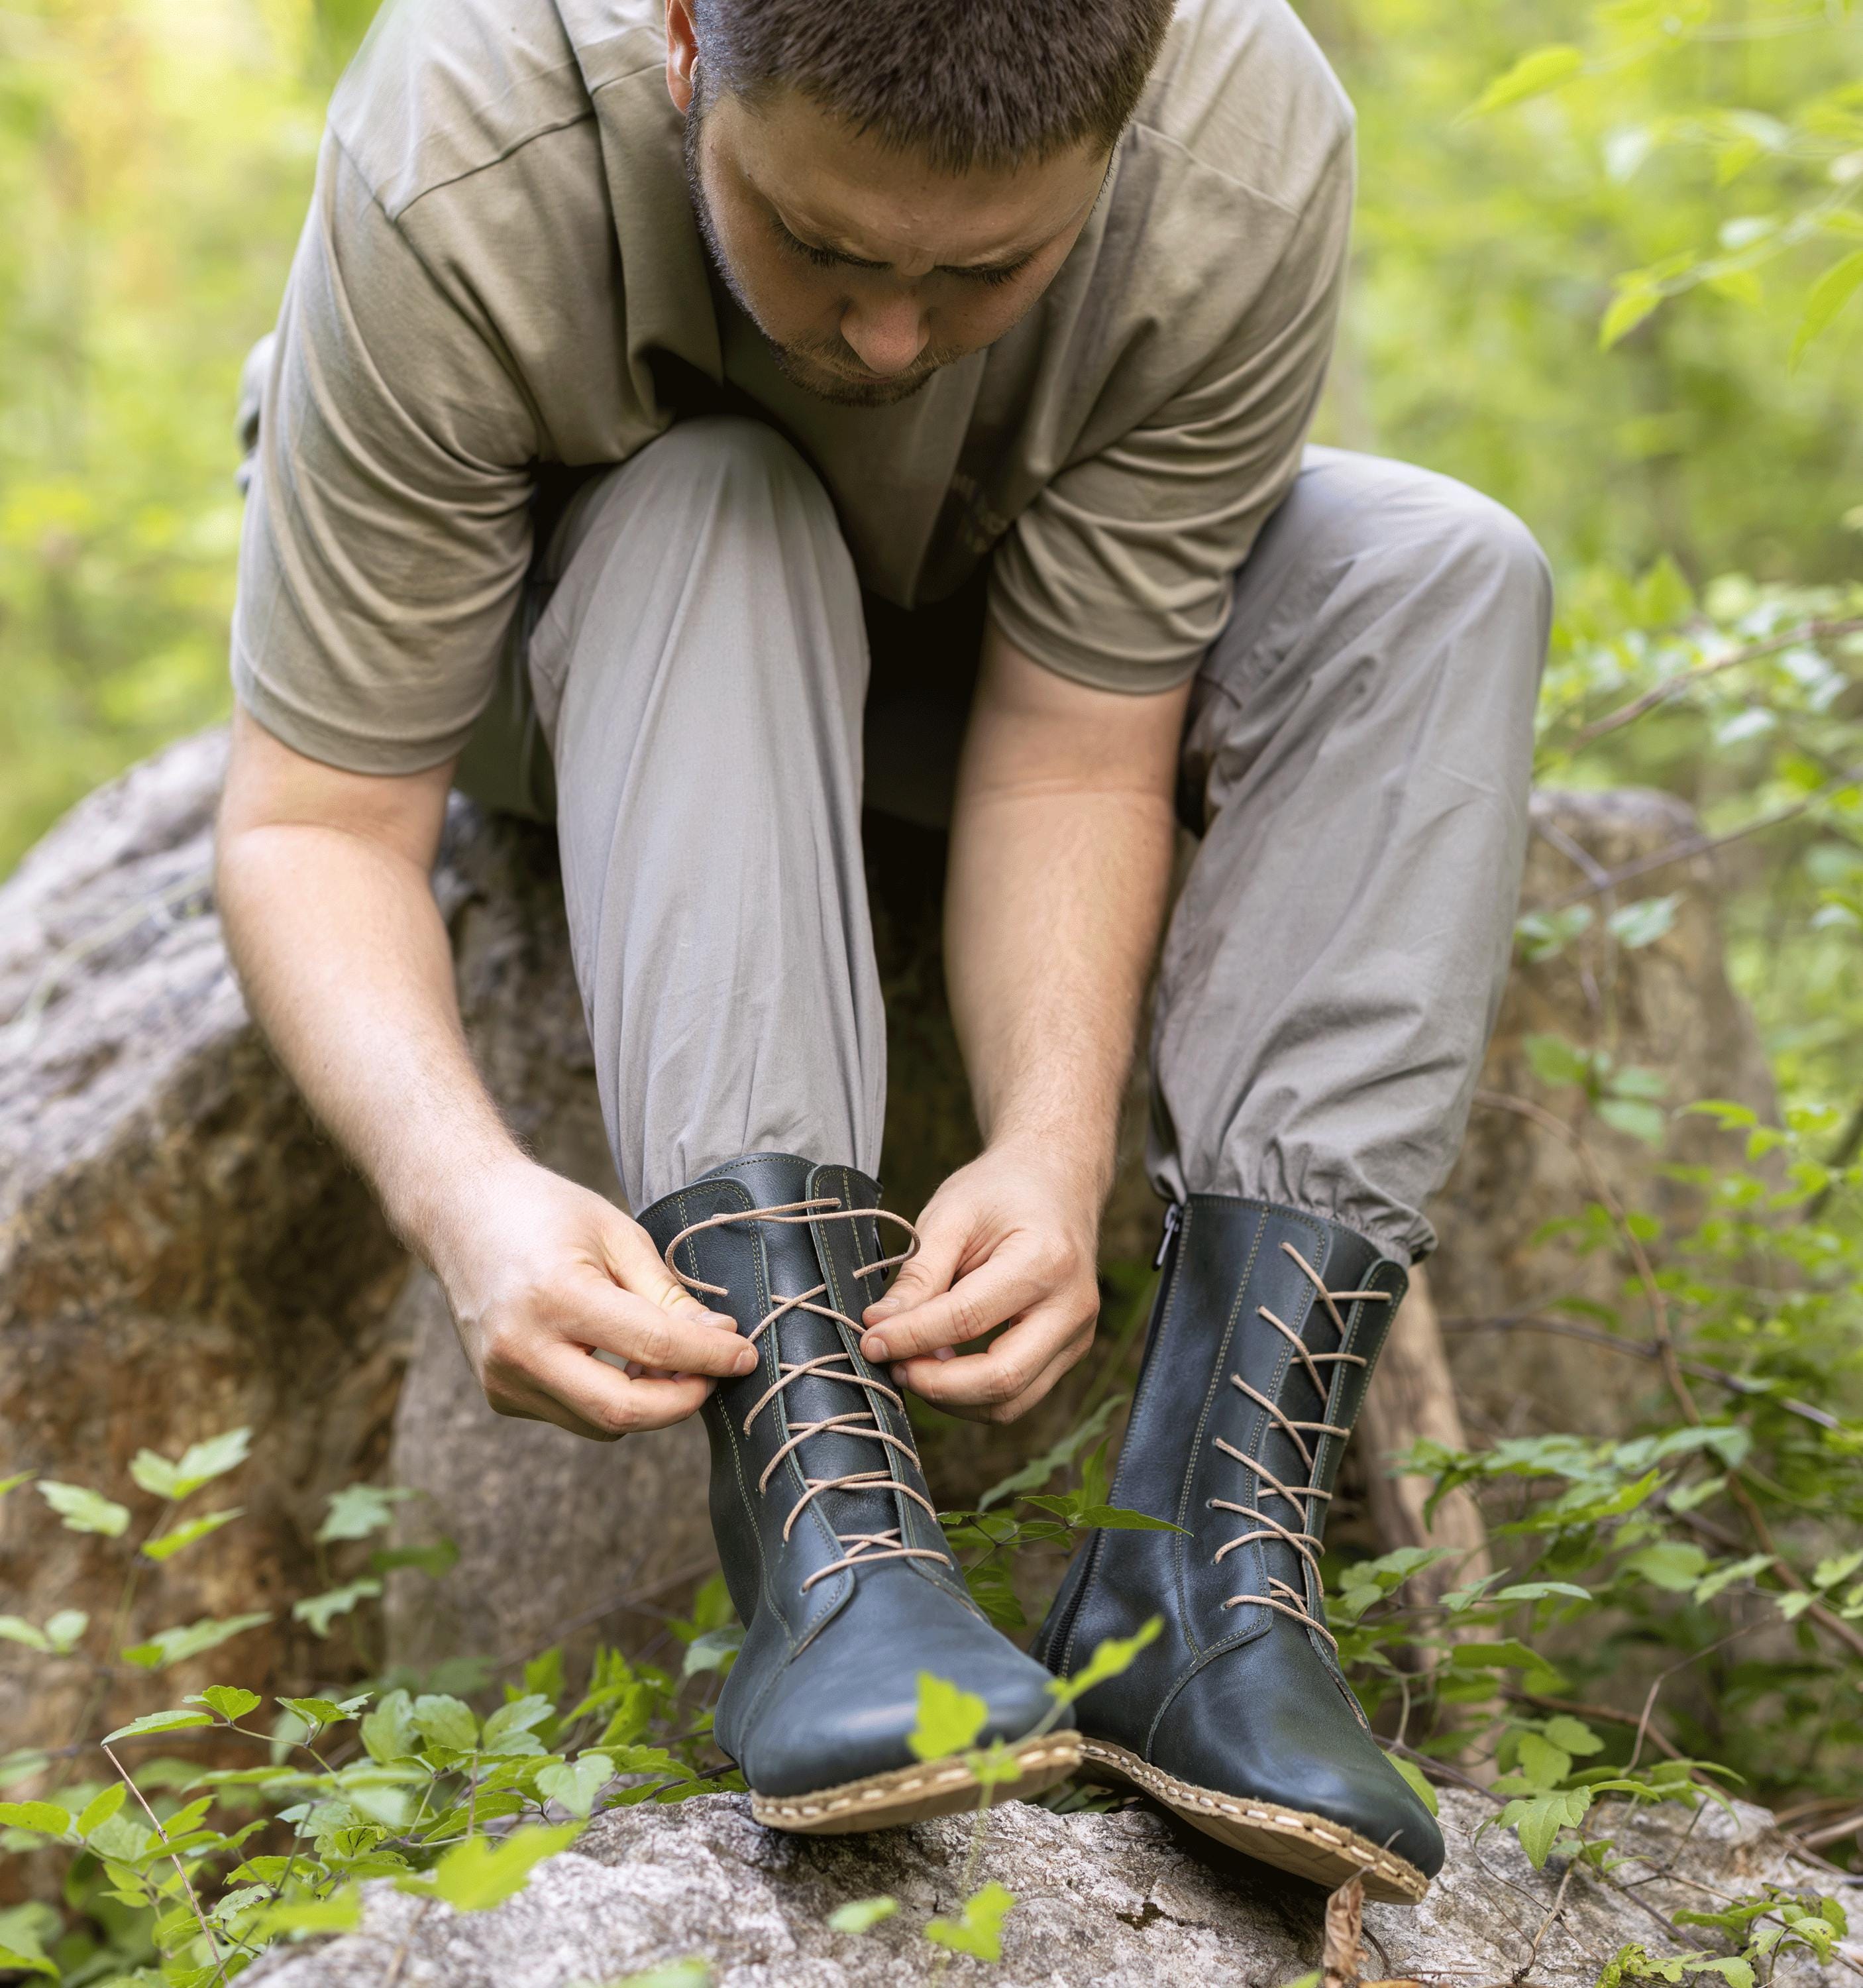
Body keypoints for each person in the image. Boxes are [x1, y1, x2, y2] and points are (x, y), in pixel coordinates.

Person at [216, 0, 1550, 1900]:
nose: (889, 339)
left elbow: (1085, 738)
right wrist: (464, 1197)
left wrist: (1047, 1138)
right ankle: (828, 1547)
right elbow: (315, 821)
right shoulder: (462, 140)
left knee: (1441, 572)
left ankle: (1201, 1569)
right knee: (719, 496)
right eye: (824, 246)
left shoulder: (1241, 133)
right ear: (687, 47)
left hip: (978, 628)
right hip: (586, 633)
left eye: (989, 266)